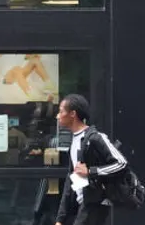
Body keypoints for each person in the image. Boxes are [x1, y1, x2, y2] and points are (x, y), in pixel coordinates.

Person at [53, 94, 128, 225]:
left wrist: (90, 171)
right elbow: (70, 180)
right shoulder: (74, 141)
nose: (57, 116)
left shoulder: (95, 138)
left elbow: (121, 163)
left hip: (96, 204)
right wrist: (60, 218)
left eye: (61, 111)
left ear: (73, 114)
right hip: (82, 204)